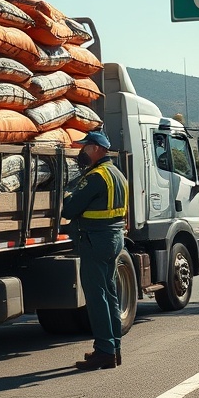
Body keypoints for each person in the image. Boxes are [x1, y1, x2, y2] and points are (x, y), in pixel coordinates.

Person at [61, 129, 129, 370]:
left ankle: (104, 351)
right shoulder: (117, 174)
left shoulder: (96, 177)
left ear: (98, 149)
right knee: (109, 295)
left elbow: (69, 210)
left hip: (95, 240)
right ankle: (114, 349)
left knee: (96, 297)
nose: (83, 151)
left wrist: (67, 192)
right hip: (113, 238)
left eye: (86, 147)